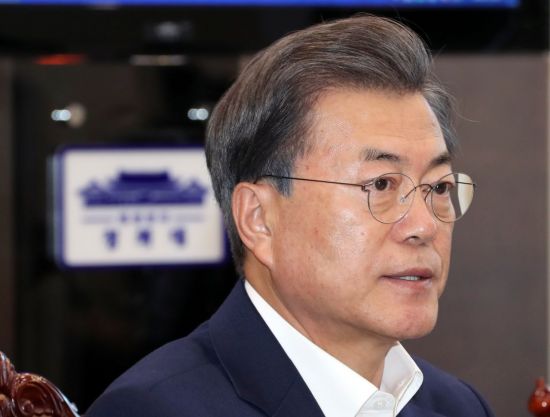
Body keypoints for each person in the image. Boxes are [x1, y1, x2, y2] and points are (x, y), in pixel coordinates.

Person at [86, 15, 495, 417]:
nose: (424, 225)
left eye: (438, 188)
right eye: (381, 185)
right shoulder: (153, 408)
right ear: (259, 219)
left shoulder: (458, 406)